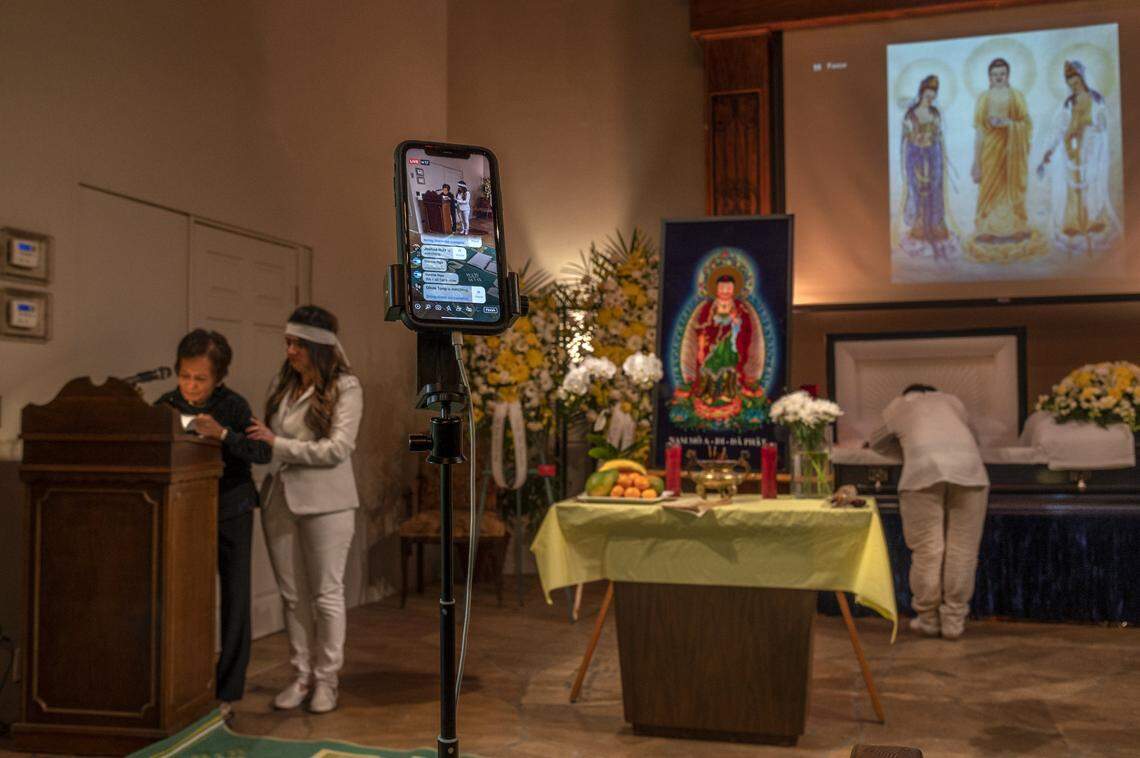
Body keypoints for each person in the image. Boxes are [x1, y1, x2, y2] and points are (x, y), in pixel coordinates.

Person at [247, 305, 363, 714]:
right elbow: (266, 433)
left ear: (319, 346)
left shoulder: (346, 387)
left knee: (326, 595)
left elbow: (337, 449)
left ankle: (328, 680)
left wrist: (277, 444)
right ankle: (301, 674)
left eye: (296, 343)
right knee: (292, 595)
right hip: (279, 497)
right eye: (288, 342)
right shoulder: (282, 383)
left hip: (327, 503)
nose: (289, 350)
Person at [156, 329, 272, 707]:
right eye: (185, 376)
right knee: (181, 595)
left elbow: (261, 452)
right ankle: (182, 682)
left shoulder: (233, 406)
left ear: (219, 378)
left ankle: (228, 691)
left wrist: (222, 434)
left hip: (231, 509)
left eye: (200, 378)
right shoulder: (164, 405)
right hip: (180, 512)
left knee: (236, 597)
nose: (191, 385)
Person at [871, 385, 989, 640]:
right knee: (964, 550)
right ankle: (954, 622)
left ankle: (928, 620)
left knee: (928, 549)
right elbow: (976, 440)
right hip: (970, 469)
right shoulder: (953, 400)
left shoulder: (898, 405)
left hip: (922, 470)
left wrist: (906, 449)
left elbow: (876, 442)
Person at [1036, 59, 1122, 255]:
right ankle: (1073, 223)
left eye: (1075, 78)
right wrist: (1049, 151)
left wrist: (1094, 127)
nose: (1072, 83)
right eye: (1069, 80)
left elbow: (1102, 122)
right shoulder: (1068, 103)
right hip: (1070, 150)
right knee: (1072, 188)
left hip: (1090, 150)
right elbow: (1059, 128)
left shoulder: (1096, 99)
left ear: (1083, 78)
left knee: (1091, 186)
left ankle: (1094, 221)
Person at [968, 58, 1041, 262]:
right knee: (989, 188)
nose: (998, 77)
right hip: (990, 150)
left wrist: (1009, 123)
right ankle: (988, 229)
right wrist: (976, 162)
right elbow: (980, 131)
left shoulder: (1016, 96)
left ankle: (1014, 227)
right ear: (989, 77)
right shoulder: (983, 98)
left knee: (1010, 186)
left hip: (1012, 150)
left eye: (1002, 73)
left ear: (1008, 75)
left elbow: (1026, 124)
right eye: (994, 74)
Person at [899, 75, 957, 261]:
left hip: (933, 157)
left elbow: (939, 135)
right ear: (922, 92)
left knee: (934, 191)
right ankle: (920, 228)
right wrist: (917, 140)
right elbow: (906, 138)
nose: (930, 96)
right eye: (928, 92)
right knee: (918, 191)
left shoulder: (936, 113)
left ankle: (935, 227)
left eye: (934, 93)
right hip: (916, 157)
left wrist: (935, 147)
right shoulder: (911, 114)